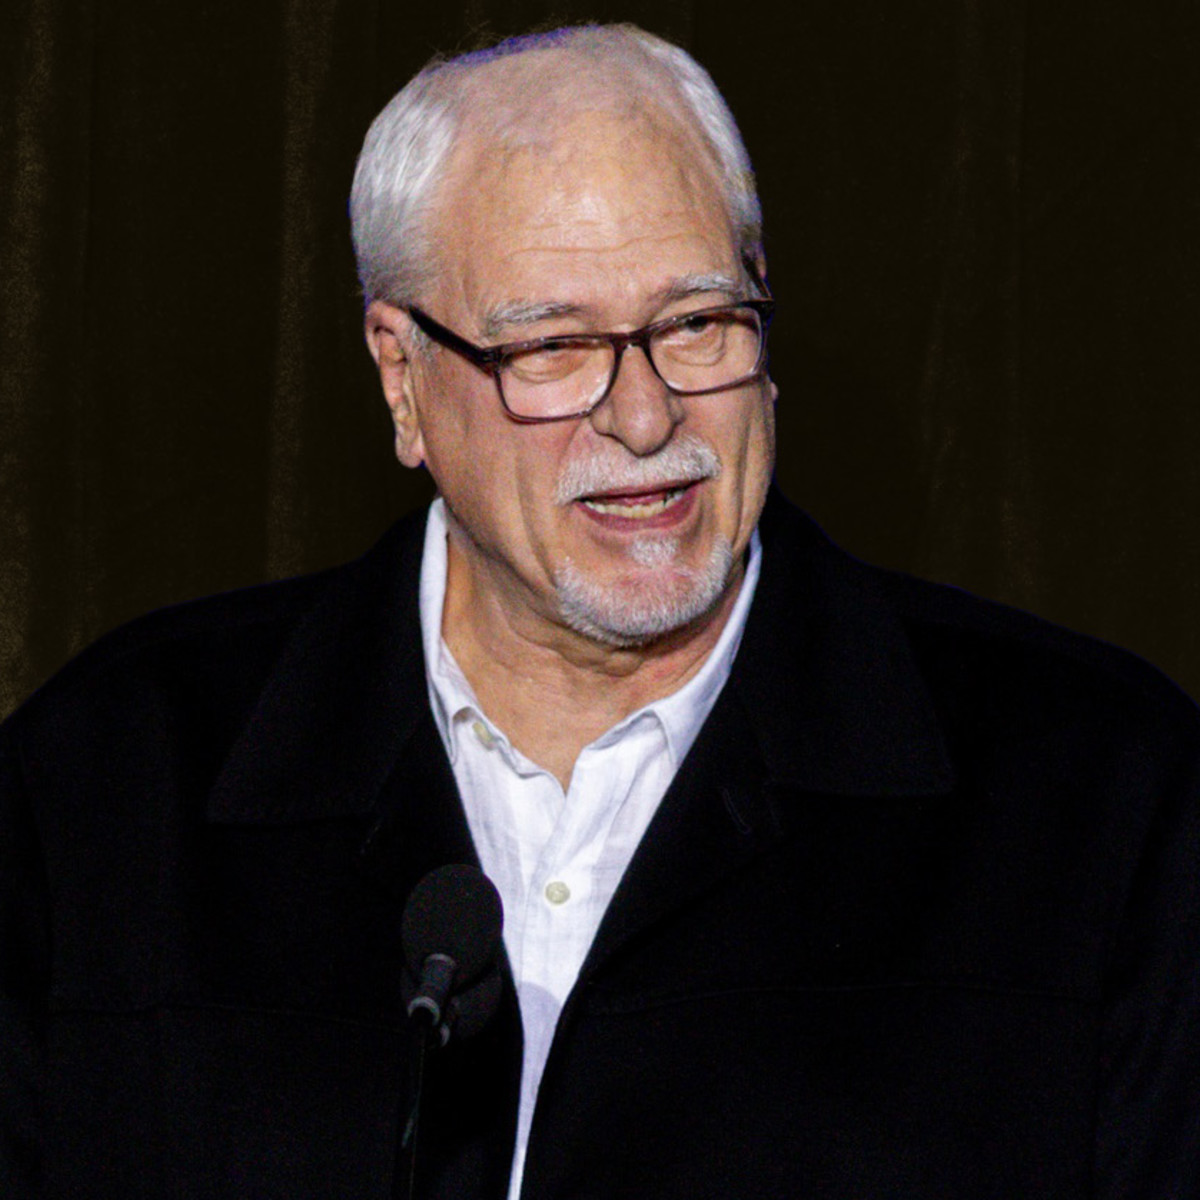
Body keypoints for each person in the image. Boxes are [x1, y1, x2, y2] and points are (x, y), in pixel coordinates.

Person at [2, 23, 1198, 1200]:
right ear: (402, 377)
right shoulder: (108, 784)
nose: (642, 418)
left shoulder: (1101, 799)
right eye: (555, 347)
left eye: (696, 324)